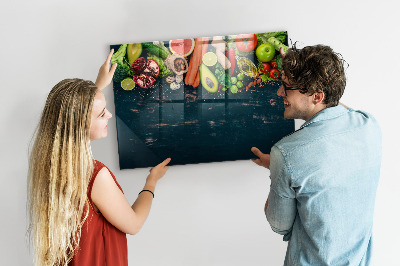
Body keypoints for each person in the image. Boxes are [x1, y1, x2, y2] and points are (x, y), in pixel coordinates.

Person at [27, 50, 171, 266]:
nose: (110, 116)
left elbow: (74, 113)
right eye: (102, 113)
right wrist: (152, 181)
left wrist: (97, 86)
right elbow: (134, 224)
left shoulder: (50, 165)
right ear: (81, 124)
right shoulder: (95, 175)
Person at [251, 44, 381, 265]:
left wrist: (279, 169)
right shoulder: (369, 125)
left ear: (317, 95)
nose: (279, 92)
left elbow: (279, 225)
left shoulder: (286, 153)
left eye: (287, 86)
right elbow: (335, 108)